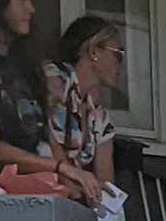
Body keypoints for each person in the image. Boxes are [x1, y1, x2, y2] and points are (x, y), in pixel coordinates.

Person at [0, 0, 64, 190]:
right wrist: (57, 167)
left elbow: (42, 136)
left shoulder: (24, 65)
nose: (32, 9)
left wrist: (72, 178)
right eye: (22, 0)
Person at [45, 14, 122, 209]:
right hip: (40, 198)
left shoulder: (100, 118)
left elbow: (107, 183)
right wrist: (74, 185)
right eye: (118, 54)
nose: (121, 64)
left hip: (69, 207)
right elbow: (35, 129)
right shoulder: (56, 79)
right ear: (94, 50)